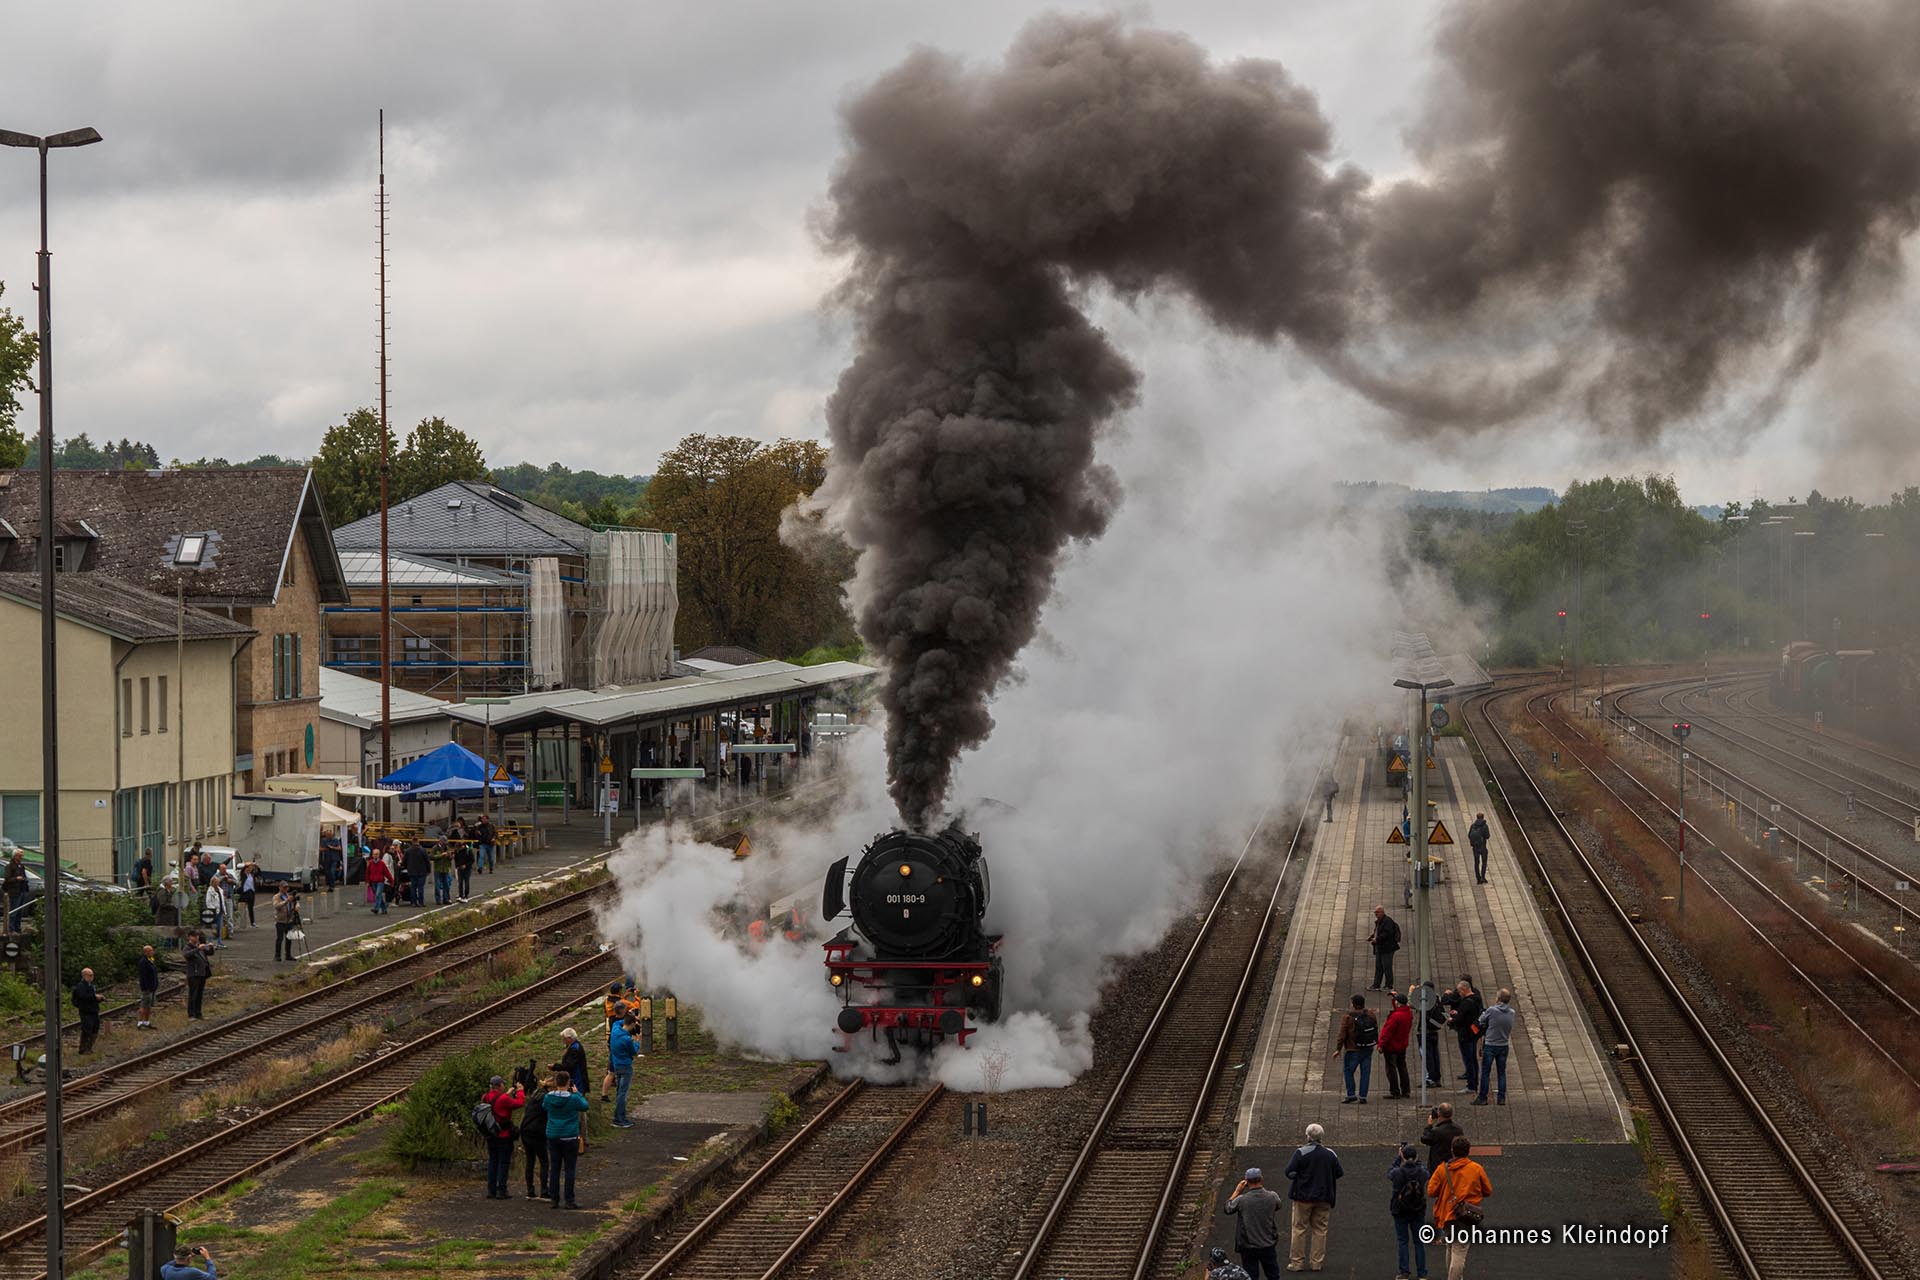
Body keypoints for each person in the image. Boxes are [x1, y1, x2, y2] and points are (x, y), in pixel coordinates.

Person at [1428, 1135, 1491, 1280]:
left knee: (1450, 1246)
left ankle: (1454, 1277)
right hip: (1466, 1215)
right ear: (1468, 1151)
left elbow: (1431, 1192)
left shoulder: (1442, 1170)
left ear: (1452, 1151)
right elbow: (1487, 1190)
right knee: (1459, 1250)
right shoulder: (1476, 1169)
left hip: (1446, 1214)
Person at [1281, 1125, 1343, 1274]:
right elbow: (1339, 1172)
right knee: (1320, 1230)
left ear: (1307, 1136)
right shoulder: (1330, 1154)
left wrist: (1300, 1177)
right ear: (1322, 1136)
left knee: (1299, 1229)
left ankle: (1297, 1263)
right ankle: (1316, 1263)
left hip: (1303, 1197)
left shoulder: (1301, 1152)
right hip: (1324, 1197)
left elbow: (1289, 1171)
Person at [1225, 1165, 1283, 1280]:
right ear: (1261, 1179)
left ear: (1246, 1182)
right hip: (1268, 1243)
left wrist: (1237, 1191)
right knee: (1273, 1275)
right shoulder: (1272, 1196)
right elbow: (1278, 1206)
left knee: (1251, 1276)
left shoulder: (1242, 1200)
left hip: (1248, 1246)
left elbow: (1228, 1208)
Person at [543, 1069, 590, 1209]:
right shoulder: (573, 1098)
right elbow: (585, 1106)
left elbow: (544, 1107)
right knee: (569, 1169)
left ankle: (554, 1199)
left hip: (553, 1135)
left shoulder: (548, 1098)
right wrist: (578, 1093)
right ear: (569, 1082)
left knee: (555, 1168)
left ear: (556, 1082)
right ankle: (569, 1200)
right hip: (569, 1136)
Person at [1389, 1142, 1431, 1280]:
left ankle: (1404, 1272)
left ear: (1403, 1156)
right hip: (1418, 1210)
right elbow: (1425, 1169)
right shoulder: (1422, 1172)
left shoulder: (1397, 1172)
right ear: (1416, 1156)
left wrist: (1398, 1158)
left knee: (1402, 1241)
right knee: (1419, 1241)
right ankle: (1422, 1273)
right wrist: (1416, 1160)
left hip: (1400, 1209)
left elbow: (1390, 1171)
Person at [481, 1073, 527, 1199]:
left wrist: (507, 1093)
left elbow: (497, 1104)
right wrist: (520, 1091)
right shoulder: (504, 1098)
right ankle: (502, 1190)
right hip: (503, 1134)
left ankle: (491, 1190)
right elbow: (519, 1103)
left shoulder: (485, 1097)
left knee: (492, 1161)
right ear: (499, 1085)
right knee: (504, 1162)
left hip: (490, 1134)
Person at [1473, 989, 1517, 1106]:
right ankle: (1501, 1098)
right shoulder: (1512, 1012)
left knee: (1486, 1072)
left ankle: (1483, 1097)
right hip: (1503, 1045)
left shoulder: (1492, 1010)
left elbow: (1481, 1020)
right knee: (1501, 1072)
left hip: (1491, 1045)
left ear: (1498, 999)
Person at [1335, 993, 1377, 1104]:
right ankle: (1363, 1096)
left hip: (1352, 1049)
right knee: (1365, 1073)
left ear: (1354, 1005)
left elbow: (1342, 1035)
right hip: (1367, 1048)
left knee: (1348, 1071)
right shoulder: (1371, 1014)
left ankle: (1351, 1094)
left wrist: (1338, 1049)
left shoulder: (1348, 1017)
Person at [517, 1062, 551, 1200]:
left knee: (530, 1161)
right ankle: (544, 1191)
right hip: (537, 1131)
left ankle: (530, 1190)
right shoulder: (547, 1098)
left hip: (525, 1129)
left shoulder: (535, 1095)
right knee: (544, 1161)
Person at [1447, 979, 1484, 1094]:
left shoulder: (1466, 1003)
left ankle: (1471, 1085)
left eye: (1459, 991)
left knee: (1468, 1060)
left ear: (1464, 990)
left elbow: (1460, 1020)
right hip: (1474, 1033)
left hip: (1465, 1035)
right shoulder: (1477, 999)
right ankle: (1474, 1083)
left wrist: (1451, 1020)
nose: (1459, 993)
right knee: (1473, 1059)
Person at [1379, 990, 1414, 1100]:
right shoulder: (1408, 1013)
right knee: (1402, 1068)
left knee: (1391, 1069)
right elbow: (1398, 1007)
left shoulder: (1395, 1016)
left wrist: (1381, 1045)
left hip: (1391, 1046)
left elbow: (1387, 1032)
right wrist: (1395, 996)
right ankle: (1406, 1090)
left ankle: (1394, 1091)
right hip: (1402, 1045)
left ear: (1398, 1003)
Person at [609, 1014, 639, 1128]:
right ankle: (619, 1119)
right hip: (626, 1067)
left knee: (619, 1092)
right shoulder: (627, 1039)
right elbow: (634, 1052)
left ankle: (619, 1116)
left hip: (616, 1065)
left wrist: (631, 1018)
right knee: (623, 1094)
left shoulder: (615, 1030)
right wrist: (637, 1041)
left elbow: (617, 1022)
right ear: (632, 1024)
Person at [600, 984, 628, 1100]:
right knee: (616, 1059)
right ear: (619, 991)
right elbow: (632, 1006)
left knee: (611, 1057)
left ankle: (611, 1077)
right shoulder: (621, 1003)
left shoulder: (607, 1001)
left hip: (609, 1034)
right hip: (618, 1036)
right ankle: (614, 1078)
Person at [1420, 1101, 1462, 1175]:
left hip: (1438, 1166)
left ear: (1439, 1114)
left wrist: (1429, 1126)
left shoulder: (1436, 1131)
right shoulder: (1458, 1129)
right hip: (1454, 1165)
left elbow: (1424, 1139)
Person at [1367, 906, 1401, 992]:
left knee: (1387, 967)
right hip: (1380, 948)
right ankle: (1376, 984)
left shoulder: (1387, 921)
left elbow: (1387, 934)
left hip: (1387, 949)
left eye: (1377, 912)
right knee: (1379, 967)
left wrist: (1377, 939)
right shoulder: (1379, 922)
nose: (1375, 914)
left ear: (1382, 912)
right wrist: (1372, 937)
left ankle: (1389, 985)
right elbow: (1378, 932)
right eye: (1375, 912)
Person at [183, 932, 212, 1019]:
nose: (196, 938)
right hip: (193, 974)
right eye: (194, 936)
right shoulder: (188, 947)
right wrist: (197, 949)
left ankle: (198, 1013)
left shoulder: (200, 947)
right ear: (189, 937)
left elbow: (209, 953)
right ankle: (191, 1014)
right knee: (193, 994)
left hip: (202, 973)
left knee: (199, 995)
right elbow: (186, 955)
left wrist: (210, 947)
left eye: (197, 936)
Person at [73, 967, 101, 1055]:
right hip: (85, 1011)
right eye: (90, 975)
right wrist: (95, 997)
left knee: (95, 1029)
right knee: (87, 1030)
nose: (92, 977)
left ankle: (89, 1047)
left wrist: (99, 998)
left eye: (92, 975)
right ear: (84, 976)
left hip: (93, 1010)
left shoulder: (91, 986)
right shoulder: (81, 986)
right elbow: (83, 997)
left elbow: (90, 996)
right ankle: (83, 1048)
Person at [552, 1027, 588, 1093]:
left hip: (577, 1077)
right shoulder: (574, 1046)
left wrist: (555, 1066)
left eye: (564, 1038)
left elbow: (568, 1065)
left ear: (569, 1038)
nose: (563, 1040)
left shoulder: (574, 1048)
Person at [3, 850, 29, 934]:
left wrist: (24, 879)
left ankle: (18, 928)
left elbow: (24, 875)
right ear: (15, 856)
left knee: (20, 911)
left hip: (22, 889)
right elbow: (7, 879)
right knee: (14, 910)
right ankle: (11, 928)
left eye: (22, 856)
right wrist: (16, 878)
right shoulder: (10, 866)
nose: (21, 858)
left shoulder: (21, 866)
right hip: (14, 891)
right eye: (20, 856)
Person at [137, 944, 160, 1028]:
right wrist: (146, 987)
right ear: (145, 952)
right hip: (147, 988)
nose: (152, 952)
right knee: (144, 1004)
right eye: (150, 951)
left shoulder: (150, 960)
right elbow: (143, 976)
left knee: (149, 1005)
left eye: (152, 950)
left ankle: (146, 1022)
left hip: (152, 987)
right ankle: (140, 1022)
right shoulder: (143, 962)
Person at [273, 885, 298, 962]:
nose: (285, 889)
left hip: (289, 920)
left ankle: (288, 955)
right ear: (280, 887)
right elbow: (277, 906)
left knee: (289, 938)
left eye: (286, 887)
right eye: (284, 887)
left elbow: (295, 903)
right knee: (280, 939)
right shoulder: (276, 897)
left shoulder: (289, 895)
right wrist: (287, 900)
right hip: (280, 921)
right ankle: (277, 956)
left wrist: (296, 905)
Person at [404, 842, 431, 907]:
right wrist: (428, 870)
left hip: (412, 872)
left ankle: (413, 902)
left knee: (413, 887)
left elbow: (404, 861)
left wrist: (406, 867)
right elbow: (427, 861)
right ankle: (421, 902)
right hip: (422, 871)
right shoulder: (423, 851)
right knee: (420, 887)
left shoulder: (408, 851)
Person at [1468, 813, 1491, 884]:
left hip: (1475, 847)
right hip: (1483, 847)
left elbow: (1469, 835)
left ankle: (1478, 878)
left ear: (1477, 817)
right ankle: (1483, 877)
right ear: (1483, 817)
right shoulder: (1485, 826)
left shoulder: (1473, 826)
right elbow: (1487, 836)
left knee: (1476, 863)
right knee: (1484, 862)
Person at [365, 848, 390, 914]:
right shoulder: (370, 863)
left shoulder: (382, 863)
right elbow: (367, 872)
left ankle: (376, 908)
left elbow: (387, 873)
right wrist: (367, 881)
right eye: (374, 854)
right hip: (373, 881)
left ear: (379, 855)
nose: (375, 855)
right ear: (372, 855)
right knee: (379, 896)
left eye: (376, 854)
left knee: (378, 894)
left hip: (380, 881)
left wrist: (391, 881)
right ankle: (384, 909)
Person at [237, 862, 258, 929]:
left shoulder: (252, 875)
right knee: (242, 907)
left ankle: (253, 922)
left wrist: (255, 865)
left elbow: (258, 872)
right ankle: (241, 922)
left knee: (250, 907)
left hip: (251, 892)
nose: (249, 869)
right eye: (248, 868)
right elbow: (242, 871)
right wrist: (246, 865)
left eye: (250, 868)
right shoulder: (243, 875)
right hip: (245, 892)